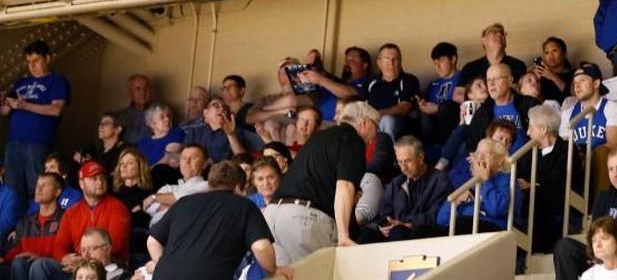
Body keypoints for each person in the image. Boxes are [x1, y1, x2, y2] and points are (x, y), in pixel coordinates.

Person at [262, 100, 376, 264]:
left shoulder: (320, 138)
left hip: (273, 215)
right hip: (301, 219)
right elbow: (344, 186)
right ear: (364, 123)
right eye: (376, 127)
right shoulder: (352, 139)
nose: (375, 136)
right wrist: (344, 235)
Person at [146, 160, 290, 280]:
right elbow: (261, 247)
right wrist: (274, 270)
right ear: (238, 187)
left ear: (210, 184)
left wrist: (164, 266)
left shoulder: (185, 202)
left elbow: (152, 241)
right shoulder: (245, 206)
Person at [24, 161, 129, 280]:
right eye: (93, 178)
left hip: (107, 267)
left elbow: (115, 245)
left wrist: (85, 262)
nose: (100, 182)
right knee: (41, 265)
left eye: (102, 178)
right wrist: (64, 258)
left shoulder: (117, 207)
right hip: (78, 266)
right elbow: (59, 245)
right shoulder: (72, 212)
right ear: (81, 183)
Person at [552, 147, 617, 280]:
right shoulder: (603, 197)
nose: (615, 174)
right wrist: (597, 255)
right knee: (565, 247)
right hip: (602, 256)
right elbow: (595, 233)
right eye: (610, 169)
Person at [1, 41, 70, 204]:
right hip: (14, 141)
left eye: (36, 60)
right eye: (29, 62)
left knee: (38, 187)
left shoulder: (57, 80)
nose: (32, 65)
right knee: (12, 190)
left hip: (37, 142)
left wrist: (25, 105)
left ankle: (37, 225)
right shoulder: (21, 82)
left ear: (47, 58)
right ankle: (15, 227)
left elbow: (56, 110)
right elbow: (4, 111)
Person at [365, 136, 448, 242]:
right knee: (367, 234)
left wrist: (407, 224)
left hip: (422, 234)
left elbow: (437, 215)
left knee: (398, 232)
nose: (403, 168)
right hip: (396, 230)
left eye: (408, 161)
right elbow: (384, 211)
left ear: (421, 158)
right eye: (400, 162)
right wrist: (384, 224)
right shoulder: (396, 182)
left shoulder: (440, 180)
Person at [561, 63, 617, 195]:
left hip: (602, 160)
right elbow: (565, 145)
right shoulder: (568, 113)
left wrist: (588, 156)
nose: (577, 86)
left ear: (596, 83)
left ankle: (600, 205)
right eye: (574, 82)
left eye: (582, 81)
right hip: (577, 161)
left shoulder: (611, 107)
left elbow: (614, 143)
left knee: (601, 152)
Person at [433, 138, 515, 234]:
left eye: (485, 155)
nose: (479, 159)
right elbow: (440, 220)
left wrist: (486, 181)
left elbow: (496, 209)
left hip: (491, 228)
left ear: (500, 160)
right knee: (422, 231)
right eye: (477, 154)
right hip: (464, 228)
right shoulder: (471, 183)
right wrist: (457, 201)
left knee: (462, 223)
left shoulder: (506, 179)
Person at [517, 105, 568, 252]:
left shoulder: (565, 149)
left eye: (531, 128)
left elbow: (559, 179)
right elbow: (518, 172)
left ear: (543, 129)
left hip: (553, 203)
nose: (527, 133)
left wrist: (534, 185)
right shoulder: (530, 152)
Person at [469, 63, 539, 152]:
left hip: (527, 162)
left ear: (510, 81)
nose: (491, 84)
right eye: (488, 80)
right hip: (495, 164)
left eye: (496, 79)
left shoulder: (530, 104)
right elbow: (473, 147)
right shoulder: (482, 112)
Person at [4, 173, 64, 272]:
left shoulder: (66, 218)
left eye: (44, 185)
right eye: (37, 185)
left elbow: (66, 252)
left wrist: (40, 257)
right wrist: (4, 259)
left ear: (57, 192)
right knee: (18, 262)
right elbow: (15, 251)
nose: (38, 189)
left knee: (39, 265)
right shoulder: (25, 222)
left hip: (55, 269)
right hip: (28, 268)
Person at [142, 144, 208, 226]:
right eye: (184, 158)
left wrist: (154, 198)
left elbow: (184, 199)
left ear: (204, 164)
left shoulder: (207, 186)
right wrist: (176, 205)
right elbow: (149, 207)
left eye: (193, 158)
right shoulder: (168, 188)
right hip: (155, 232)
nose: (187, 162)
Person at [366, 44, 420, 141]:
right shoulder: (371, 82)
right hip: (372, 120)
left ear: (400, 62)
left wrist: (380, 113)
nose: (391, 64)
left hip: (399, 122)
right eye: (386, 60)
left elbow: (405, 107)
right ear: (379, 63)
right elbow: (360, 104)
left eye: (395, 59)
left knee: (387, 120)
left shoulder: (408, 80)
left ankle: (385, 154)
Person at [457, 24, 528, 95]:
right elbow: (458, 94)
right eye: (493, 32)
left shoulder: (518, 65)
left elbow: (527, 93)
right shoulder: (470, 68)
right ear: (483, 40)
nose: (499, 34)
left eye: (502, 33)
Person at [418, 42, 460, 148]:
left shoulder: (463, 79)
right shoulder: (433, 84)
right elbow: (427, 105)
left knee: (447, 108)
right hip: (433, 126)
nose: (437, 66)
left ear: (453, 59)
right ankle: (428, 149)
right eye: (435, 62)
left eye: (441, 61)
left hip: (454, 123)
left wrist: (438, 108)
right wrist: (423, 104)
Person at [182, 98, 248, 164]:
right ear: (206, 113)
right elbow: (183, 157)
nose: (222, 109)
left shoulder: (235, 131)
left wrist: (231, 135)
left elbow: (243, 161)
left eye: (225, 108)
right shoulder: (194, 133)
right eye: (216, 105)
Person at [531, 36, 574, 104]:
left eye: (554, 51)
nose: (550, 56)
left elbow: (572, 96)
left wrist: (552, 76)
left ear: (564, 54)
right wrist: (535, 79)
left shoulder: (574, 74)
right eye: (547, 52)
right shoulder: (541, 75)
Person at [113, 76, 152, 146]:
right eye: (138, 89)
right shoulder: (119, 116)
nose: (143, 92)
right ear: (130, 92)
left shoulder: (161, 114)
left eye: (146, 88)